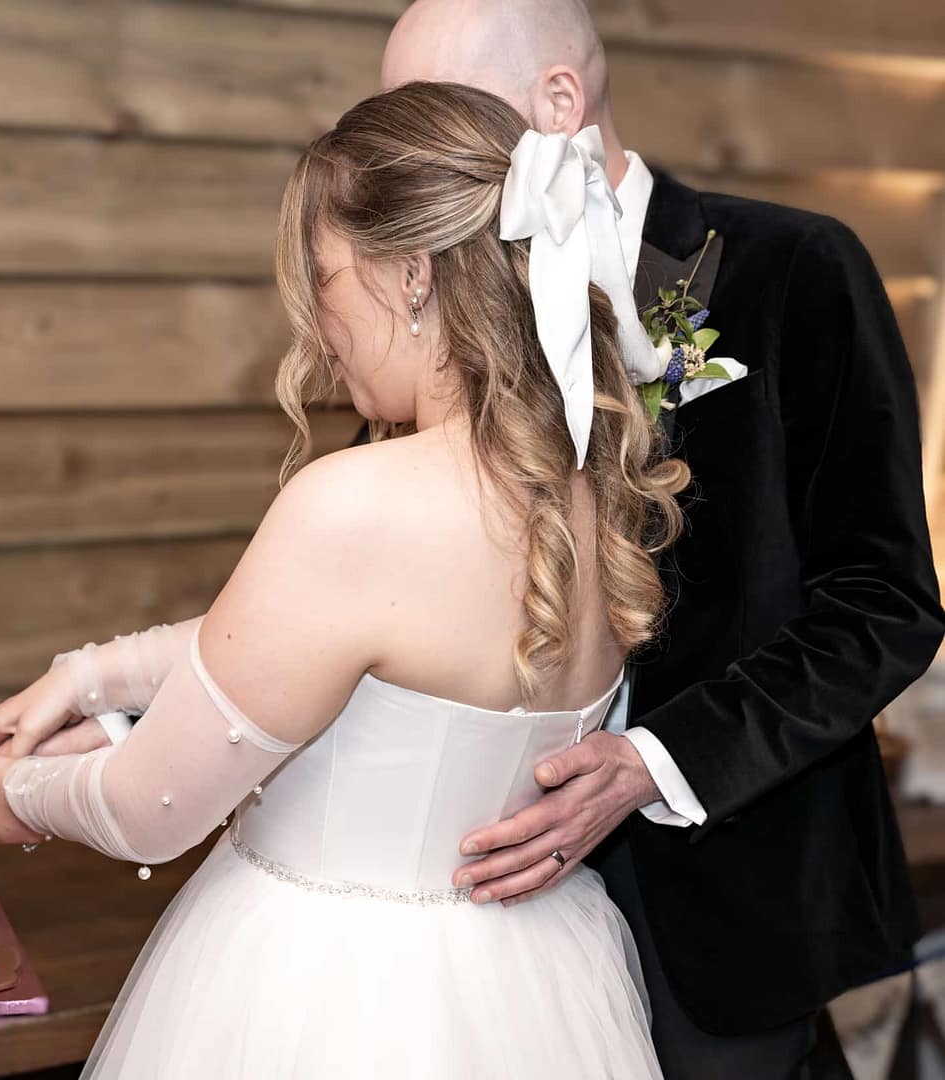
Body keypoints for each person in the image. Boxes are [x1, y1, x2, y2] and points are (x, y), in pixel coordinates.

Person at [0, 80, 689, 1076]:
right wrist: (86, 677)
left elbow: (146, 807)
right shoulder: (587, 489)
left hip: (329, 1000)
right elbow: (297, 640)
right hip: (526, 985)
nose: (318, 332)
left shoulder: (354, 500)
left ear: (410, 275)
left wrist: (19, 795)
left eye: (326, 279)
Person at [373, 1, 942, 1077]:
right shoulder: (434, 307)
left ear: (557, 101)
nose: (414, 147)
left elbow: (881, 605)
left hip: (727, 886)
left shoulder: (793, 267)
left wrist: (653, 762)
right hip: (488, 892)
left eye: (436, 108)